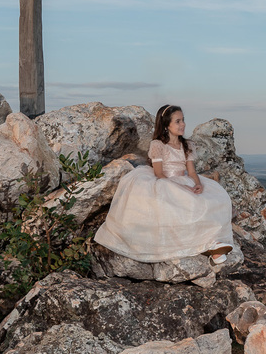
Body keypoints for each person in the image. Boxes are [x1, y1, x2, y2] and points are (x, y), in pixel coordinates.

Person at [94, 104, 235, 264]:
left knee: (215, 200)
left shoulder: (187, 145)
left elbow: (192, 172)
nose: (182, 124)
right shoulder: (158, 145)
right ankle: (205, 246)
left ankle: (214, 245)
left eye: (183, 120)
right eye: (177, 121)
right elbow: (159, 173)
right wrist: (180, 187)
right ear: (166, 126)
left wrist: (198, 184)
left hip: (184, 179)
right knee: (182, 205)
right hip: (165, 181)